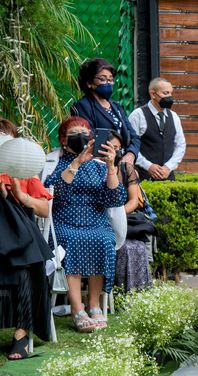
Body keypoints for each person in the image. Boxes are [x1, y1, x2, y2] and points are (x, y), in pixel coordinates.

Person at [44, 117, 126, 332]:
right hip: (63, 221)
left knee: (103, 239)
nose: (80, 136)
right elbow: (54, 194)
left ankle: (94, 304)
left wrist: (111, 166)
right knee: (72, 240)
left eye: (84, 132)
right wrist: (77, 163)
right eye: (74, 133)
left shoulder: (99, 165)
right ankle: (77, 307)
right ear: (63, 139)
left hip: (95, 221)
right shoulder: (53, 162)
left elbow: (115, 199)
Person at [0, 121, 53, 360]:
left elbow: (44, 209)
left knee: (24, 267)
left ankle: (20, 335)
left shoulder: (22, 170)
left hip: (20, 237)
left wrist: (21, 196)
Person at [71, 58, 140, 166]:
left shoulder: (116, 106)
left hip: (122, 163)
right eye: (103, 79)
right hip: (98, 165)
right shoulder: (83, 106)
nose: (108, 83)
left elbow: (134, 136)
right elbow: (88, 138)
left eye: (111, 80)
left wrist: (130, 154)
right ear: (89, 83)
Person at [108, 131, 153, 292]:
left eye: (119, 148)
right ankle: (118, 291)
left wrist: (117, 216)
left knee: (136, 247)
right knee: (123, 249)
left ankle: (139, 293)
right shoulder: (93, 166)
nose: (117, 152)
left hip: (124, 219)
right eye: (112, 147)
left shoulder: (126, 168)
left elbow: (134, 201)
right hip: (100, 222)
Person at [129, 77, 186, 181]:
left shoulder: (174, 116)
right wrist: (148, 166)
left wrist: (168, 167)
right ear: (153, 94)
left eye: (170, 93)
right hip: (142, 177)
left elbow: (180, 145)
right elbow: (130, 145)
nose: (169, 97)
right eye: (165, 93)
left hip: (169, 177)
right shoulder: (137, 115)